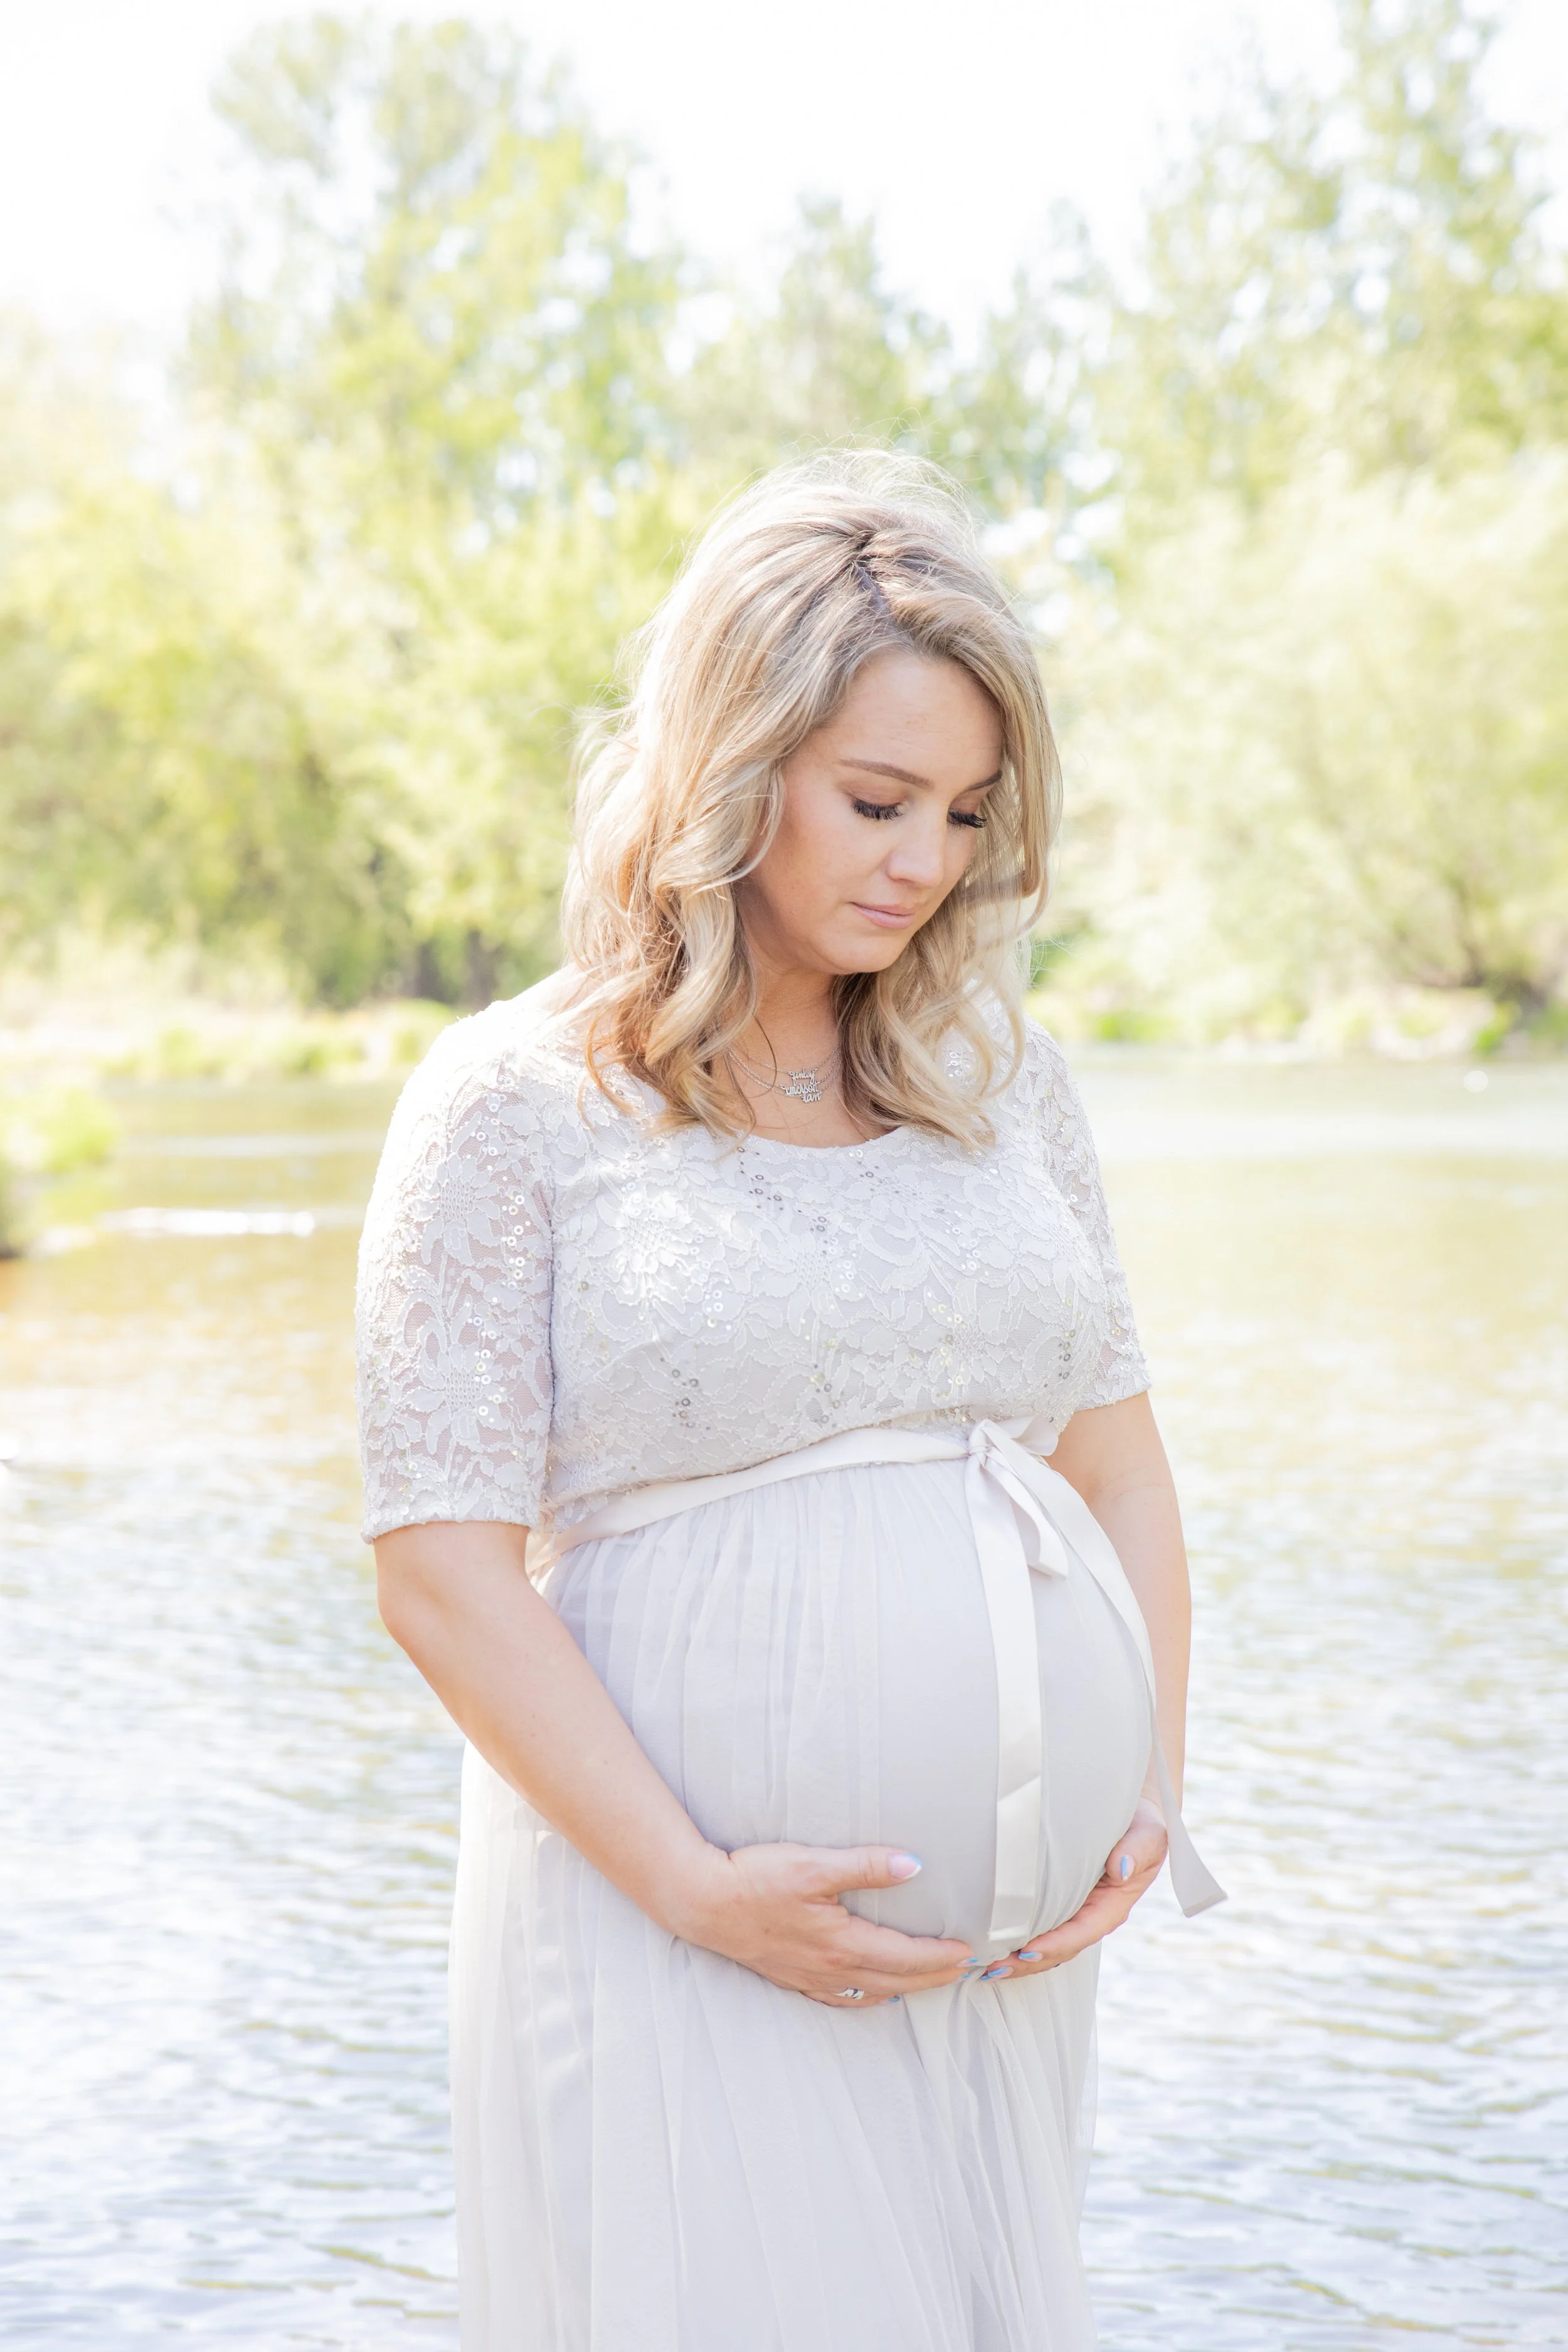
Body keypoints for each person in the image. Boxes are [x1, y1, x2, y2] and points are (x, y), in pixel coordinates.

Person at [356, 453, 1222, 2352]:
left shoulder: (1005, 1087)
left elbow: (1122, 1471)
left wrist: (1142, 1773)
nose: (924, 860)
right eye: (876, 798)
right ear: (728, 767)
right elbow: (439, 1566)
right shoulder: (514, 1102)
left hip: (999, 1952)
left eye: (967, 810)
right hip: (676, 1917)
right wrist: (695, 1887)